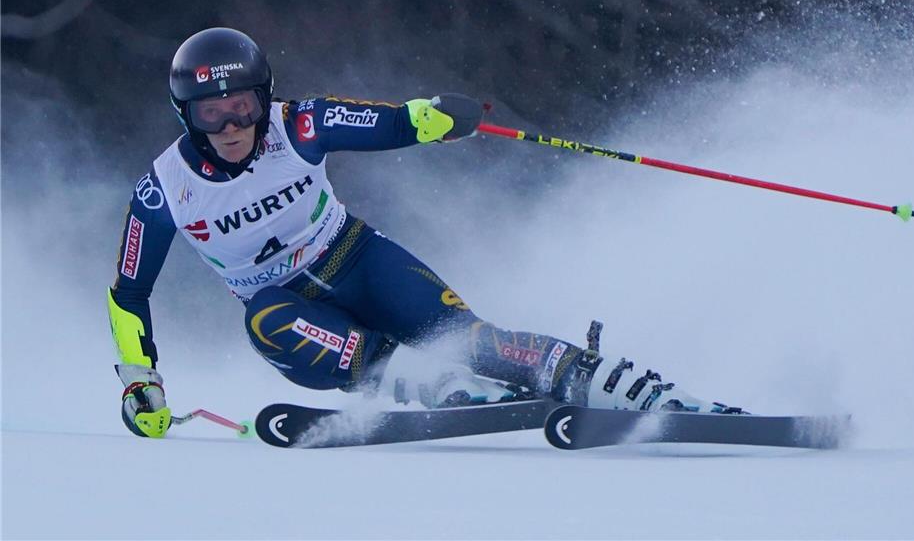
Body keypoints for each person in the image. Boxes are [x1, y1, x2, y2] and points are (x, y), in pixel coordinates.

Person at [109, 27, 737, 438]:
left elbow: (387, 124)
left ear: (262, 96)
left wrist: (434, 117)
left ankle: (627, 388)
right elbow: (128, 295)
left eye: (241, 105)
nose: (229, 125)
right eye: (209, 113)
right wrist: (142, 380)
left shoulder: (297, 125)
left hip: (359, 261)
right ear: (185, 115)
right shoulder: (163, 190)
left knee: (474, 340)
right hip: (295, 316)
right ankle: (429, 382)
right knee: (264, 319)